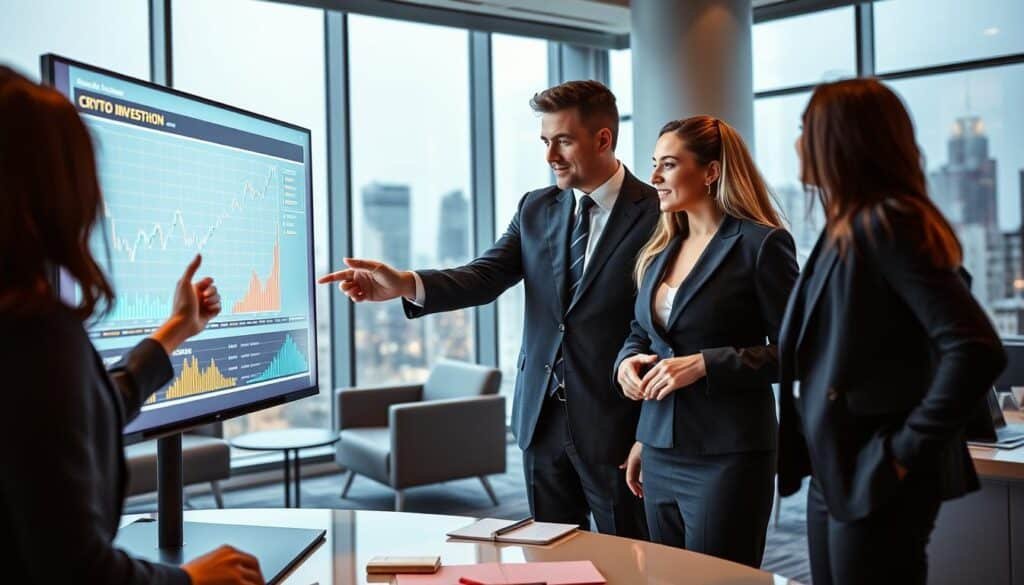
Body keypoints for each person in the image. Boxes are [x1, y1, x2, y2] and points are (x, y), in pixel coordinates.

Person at [319, 80, 655, 537]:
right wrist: (404, 284)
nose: (550, 156)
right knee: (550, 552)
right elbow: (484, 276)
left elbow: (663, 326)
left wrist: (648, 431)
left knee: (631, 553)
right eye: (544, 141)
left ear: (603, 139)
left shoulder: (656, 213)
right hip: (541, 422)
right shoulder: (536, 208)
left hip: (616, 421)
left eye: (563, 141)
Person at [0, 67, 264, 585]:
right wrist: (191, 580)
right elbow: (77, 569)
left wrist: (177, 329)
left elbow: (83, 414)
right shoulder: (33, 333)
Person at [776, 78, 1007, 585]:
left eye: (805, 129)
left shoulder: (886, 222)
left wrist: (903, 452)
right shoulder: (844, 224)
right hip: (837, 470)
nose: (797, 142)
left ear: (841, 139)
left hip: (874, 471)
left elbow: (975, 348)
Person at [615, 116, 798, 567]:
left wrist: (705, 364)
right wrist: (626, 365)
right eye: (654, 164)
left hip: (728, 454)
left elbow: (799, 351)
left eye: (669, 165)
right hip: (659, 450)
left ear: (711, 171)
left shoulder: (761, 244)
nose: (654, 177)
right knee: (664, 577)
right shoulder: (660, 248)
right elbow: (642, 333)